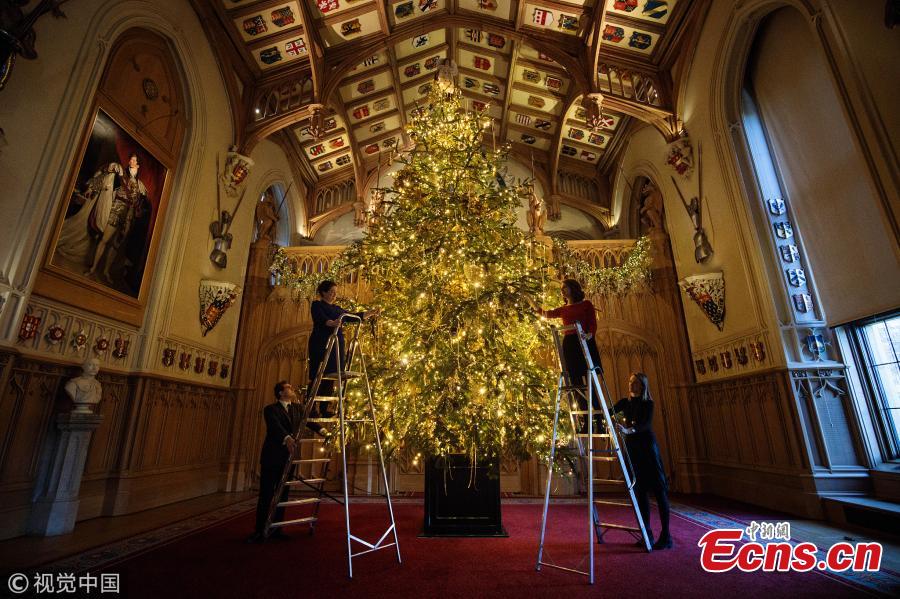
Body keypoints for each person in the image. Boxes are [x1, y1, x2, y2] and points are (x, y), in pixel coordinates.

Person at [613, 372, 672, 550]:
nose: (632, 385)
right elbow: (607, 412)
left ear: (643, 386)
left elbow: (645, 424)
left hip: (647, 449)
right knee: (640, 492)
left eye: (636, 383)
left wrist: (628, 430)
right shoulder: (624, 403)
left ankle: (666, 535)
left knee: (659, 491)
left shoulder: (648, 403)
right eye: (630, 382)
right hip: (632, 451)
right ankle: (647, 534)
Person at [536, 279, 603, 433]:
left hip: (584, 342)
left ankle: (599, 421)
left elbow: (593, 323)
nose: (563, 290)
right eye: (562, 288)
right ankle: (586, 423)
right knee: (576, 385)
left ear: (573, 288)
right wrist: (533, 304)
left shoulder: (586, 305)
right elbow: (548, 314)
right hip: (570, 345)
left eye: (565, 287)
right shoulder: (563, 309)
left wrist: (589, 334)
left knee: (591, 384)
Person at [306, 280, 370, 433]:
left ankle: (324, 407)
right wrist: (332, 322)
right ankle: (310, 407)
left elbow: (352, 317)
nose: (334, 295)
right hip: (322, 343)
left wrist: (369, 313)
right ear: (323, 292)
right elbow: (321, 319)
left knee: (332, 377)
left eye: (335, 292)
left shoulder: (337, 309)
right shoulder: (317, 305)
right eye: (331, 292)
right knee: (319, 375)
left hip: (336, 345)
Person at [247, 380, 302, 543]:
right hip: (272, 457)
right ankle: (260, 530)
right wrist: (287, 438)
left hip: (288, 458)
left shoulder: (298, 408)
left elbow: (309, 421)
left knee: (283, 495)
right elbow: (275, 426)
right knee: (266, 494)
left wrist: (323, 430)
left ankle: (277, 528)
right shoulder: (270, 409)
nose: (292, 389)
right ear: (280, 393)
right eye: (288, 387)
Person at [86, 153, 150, 282]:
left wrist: (137, 211)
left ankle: (106, 271)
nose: (131, 161)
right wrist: (92, 187)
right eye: (131, 159)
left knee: (115, 245)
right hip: (116, 210)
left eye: (134, 160)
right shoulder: (121, 173)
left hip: (127, 217)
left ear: (138, 165)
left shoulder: (141, 186)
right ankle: (93, 268)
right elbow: (105, 172)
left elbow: (140, 205)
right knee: (104, 240)